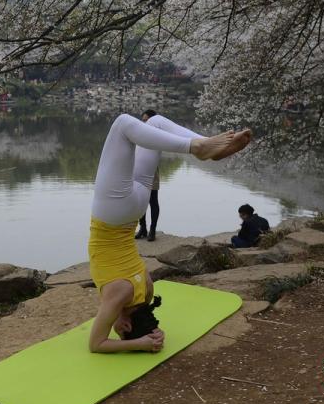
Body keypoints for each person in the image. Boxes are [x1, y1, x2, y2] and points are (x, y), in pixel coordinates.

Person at [87, 113, 252, 353]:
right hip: (113, 211)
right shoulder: (117, 295)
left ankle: (205, 146)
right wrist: (138, 343)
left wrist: (141, 332)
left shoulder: (146, 289)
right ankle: (199, 146)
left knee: (154, 123)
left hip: (134, 208)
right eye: (119, 328)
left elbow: (107, 330)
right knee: (123, 124)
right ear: (126, 325)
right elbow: (97, 343)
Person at [135, 109, 161, 242]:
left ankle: (152, 230)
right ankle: (143, 228)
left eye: (146, 120)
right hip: (139, 171)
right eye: (143, 120)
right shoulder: (138, 134)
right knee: (140, 200)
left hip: (152, 171)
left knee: (153, 201)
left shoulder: (157, 135)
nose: (143, 122)